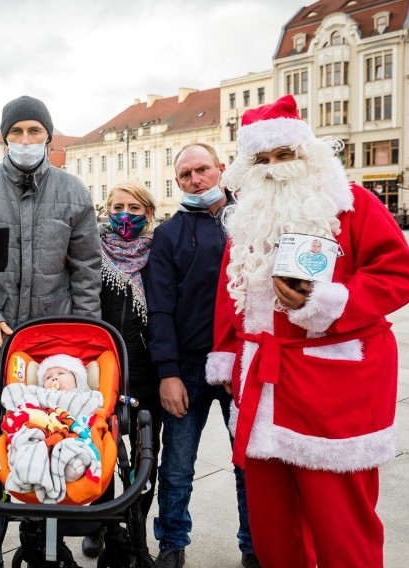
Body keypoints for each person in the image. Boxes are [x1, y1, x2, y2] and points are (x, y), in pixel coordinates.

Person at [208, 94, 409, 567]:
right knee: (273, 529)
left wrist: (326, 303)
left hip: (335, 392)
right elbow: (230, 295)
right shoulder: (246, 222)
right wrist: (227, 358)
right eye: (261, 159)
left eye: (284, 155)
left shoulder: (354, 206)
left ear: (309, 156)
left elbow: (400, 276)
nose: (274, 168)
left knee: (341, 524)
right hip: (262, 387)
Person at [0, 95, 102, 567]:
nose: (24, 140)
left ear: (48, 137)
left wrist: (80, 342)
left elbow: (86, 271)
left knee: (51, 446)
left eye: (33, 131)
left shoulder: (73, 193)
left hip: (50, 358)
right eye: (16, 132)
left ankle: (44, 548)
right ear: (4, 138)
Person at [146, 144, 259, 568]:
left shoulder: (248, 222)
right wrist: (167, 373)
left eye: (202, 170)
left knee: (249, 465)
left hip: (241, 365)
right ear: (178, 182)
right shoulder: (169, 234)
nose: (195, 180)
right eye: (186, 175)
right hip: (189, 367)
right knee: (176, 468)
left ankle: (254, 546)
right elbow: (160, 307)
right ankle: (172, 544)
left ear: (221, 169)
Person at [81, 180, 162, 559]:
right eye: (117, 207)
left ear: (148, 213)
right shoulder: (92, 252)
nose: (123, 215)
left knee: (146, 452)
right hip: (102, 370)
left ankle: (135, 523)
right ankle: (101, 524)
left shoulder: (158, 253)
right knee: (100, 450)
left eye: (133, 208)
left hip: (148, 370)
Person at [0, 354, 105, 504]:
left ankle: (67, 464)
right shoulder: (37, 393)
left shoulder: (86, 397)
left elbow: (92, 418)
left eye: (61, 373)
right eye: (48, 377)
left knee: (73, 444)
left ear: (78, 379)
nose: (54, 379)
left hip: (71, 432)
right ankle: (34, 466)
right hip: (44, 426)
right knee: (30, 438)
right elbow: (19, 397)